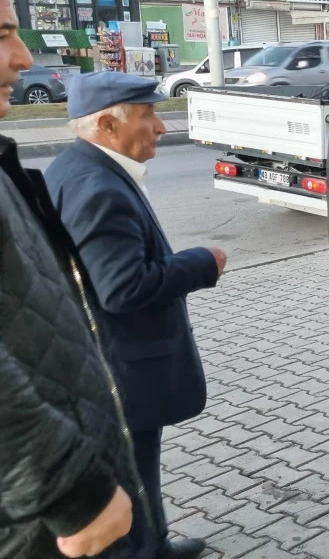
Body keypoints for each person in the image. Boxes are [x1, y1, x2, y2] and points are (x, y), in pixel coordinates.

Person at [45, 71, 223, 559]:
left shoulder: (79, 166)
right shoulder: (95, 187)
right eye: (148, 116)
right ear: (107, 124)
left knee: (139, 466)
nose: (161, 127)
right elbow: (123, 287)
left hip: (108, 359)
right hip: (120, 365)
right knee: (130, 470)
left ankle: (154, 542)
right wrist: (201, 263)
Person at [0, 0, 143, 557]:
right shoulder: (92, 183)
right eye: (2, 35)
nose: (23, 57)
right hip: (45, 517)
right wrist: (69, 488)